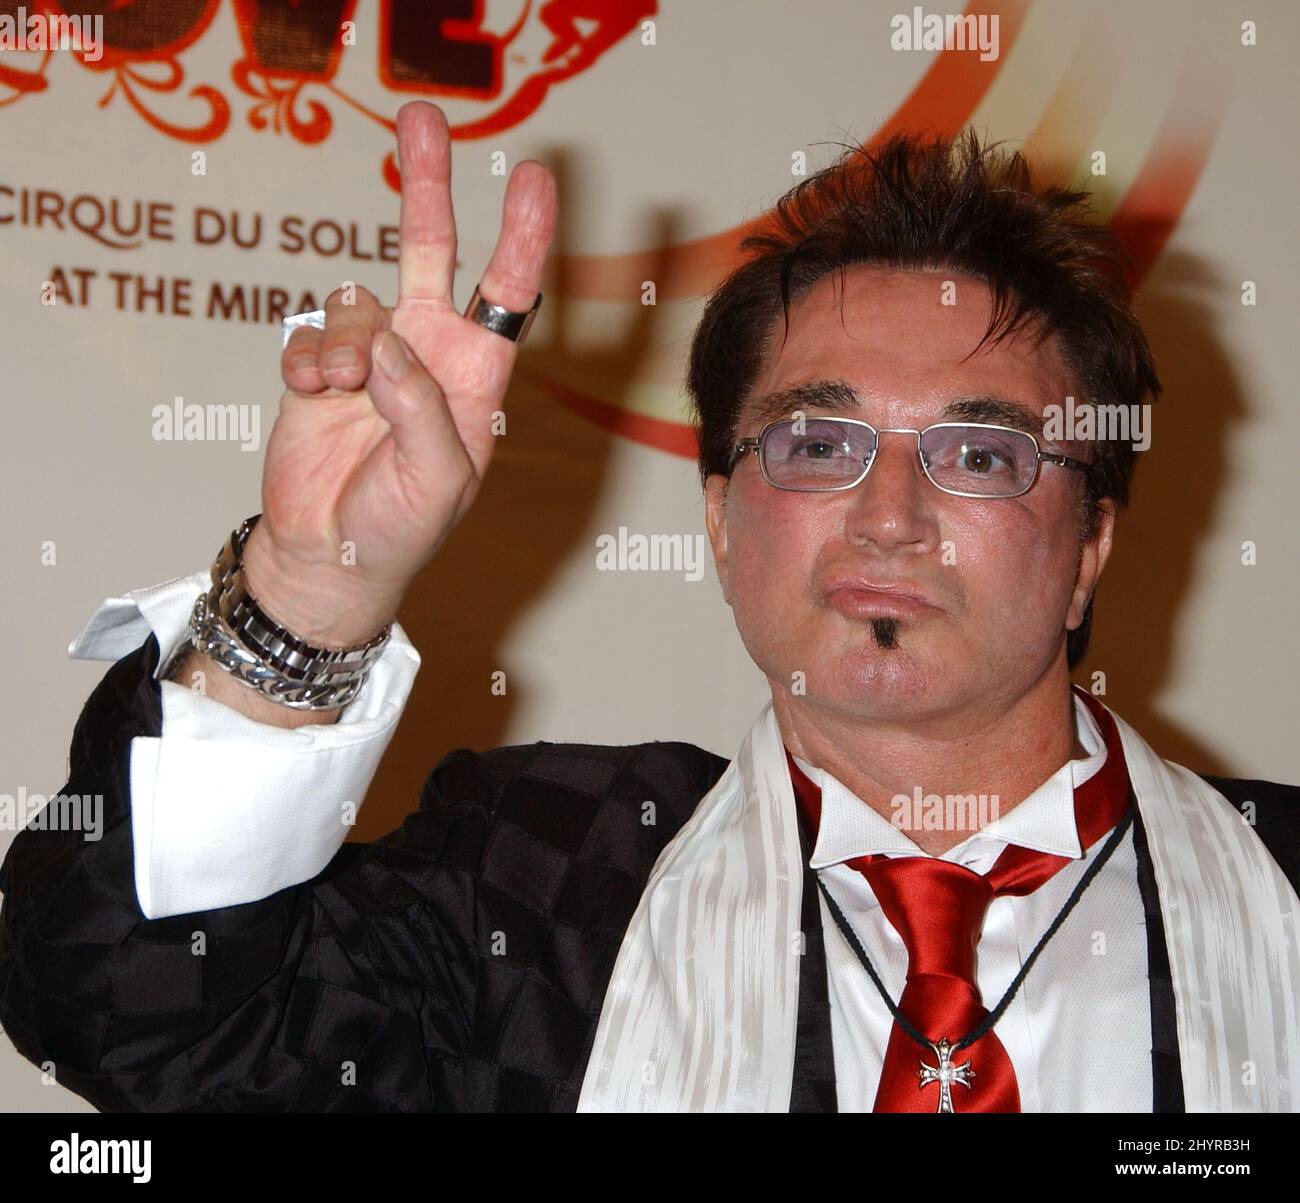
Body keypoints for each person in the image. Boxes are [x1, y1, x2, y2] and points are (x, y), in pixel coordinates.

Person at [1, 101, 1296, 1114]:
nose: (889, 515)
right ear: (726, 523)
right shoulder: (545, 881)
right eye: (815, 444)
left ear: (1090, 545)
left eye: (980, 455)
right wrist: (312, 589)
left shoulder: (1282, 891)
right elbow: (134, 1005)